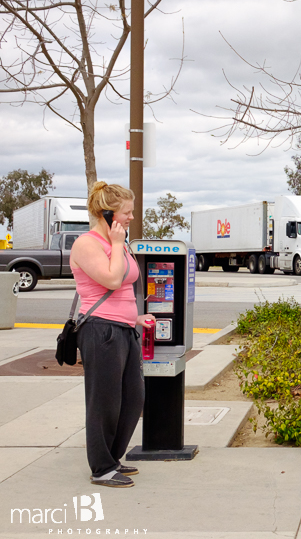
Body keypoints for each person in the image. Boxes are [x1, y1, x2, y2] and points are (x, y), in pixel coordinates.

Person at [69, 182, 154, 488]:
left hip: (125, 329)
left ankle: (114, 458)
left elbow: (126, 292)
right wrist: (117, 245)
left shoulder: (120, 243)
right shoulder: (87, 244)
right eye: (126, 212)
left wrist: (136, 316)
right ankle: (101, 467)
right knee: (104, 401)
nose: (131, 217)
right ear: (107, 213)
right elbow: (113, 280)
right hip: (100, 331)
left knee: (133, 397)